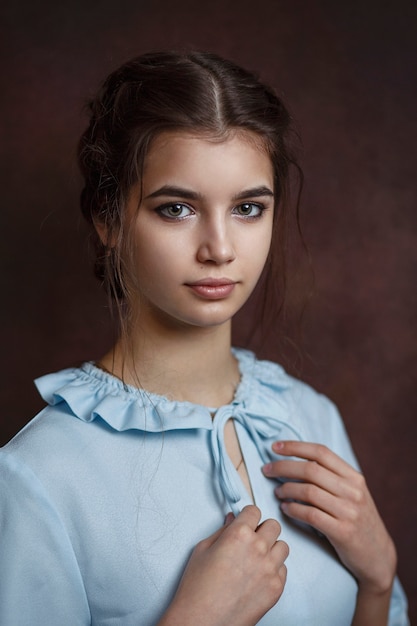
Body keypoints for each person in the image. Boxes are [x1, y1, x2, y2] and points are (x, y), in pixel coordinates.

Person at [0, 51, 409, 626]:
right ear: (107, 217)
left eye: (247, 208)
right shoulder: (38, 478)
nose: (219, 248)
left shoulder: (311, 419)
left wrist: (377, 578)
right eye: (177, 209)